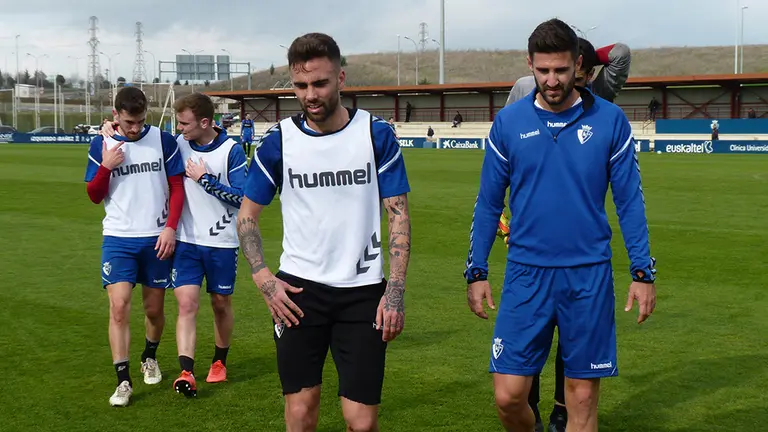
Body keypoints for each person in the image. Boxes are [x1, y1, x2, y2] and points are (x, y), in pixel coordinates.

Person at [464, 18, 657, 432]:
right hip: (525, 275)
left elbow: (630, 203)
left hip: (587, 276)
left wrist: (642, 271)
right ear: (530, 65)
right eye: (543, 70)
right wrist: (476, 270)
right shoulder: (509, 122)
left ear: (579, 66)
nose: (552, 80)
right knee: (508, 396)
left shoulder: (610, 121)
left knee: (581, 400)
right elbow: (487, 203)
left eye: (562, 70)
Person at [237, 32, 411, 432]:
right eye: (300, 85)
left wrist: (395, 291)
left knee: (362, 423)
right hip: (299, 293)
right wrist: (264, 278)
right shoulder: (279, 141)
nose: (310, 94)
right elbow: (247, 216)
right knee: (301, 414)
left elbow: (398, 215)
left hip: (363, 292)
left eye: (320, 83)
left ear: (341, 79)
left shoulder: (375, 135)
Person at [500, 35, 632, 432]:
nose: (559, 81)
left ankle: (562, 408)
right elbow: (511, 163)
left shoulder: (601, 98)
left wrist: (587, 59)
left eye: (577, 71)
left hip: (581, 252)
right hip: (532, 237)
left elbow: (621, 54)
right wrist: (512, 219)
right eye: (548, 70)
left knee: (573, 348)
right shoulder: (527, 91)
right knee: (528, 345)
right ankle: (536, 406)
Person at [100, 92, 247, 398]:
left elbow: (243, 197)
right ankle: (186, 371)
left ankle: (219, 362)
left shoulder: (231, 150)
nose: (179, 128)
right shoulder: (176, 143)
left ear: (204, 122)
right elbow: (142, 140)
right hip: (185, 242)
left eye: (184, 123)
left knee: (221, 304)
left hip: (222, 242)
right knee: (186, 304)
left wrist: (206, 179)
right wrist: (111, 127)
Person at [85, 86, 185, 407]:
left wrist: (170, 228)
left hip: (156, 238)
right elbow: (94, 194)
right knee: (119, 307)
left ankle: (149, 356)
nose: (135, 128)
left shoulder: (162, 140)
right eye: (129, 122)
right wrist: (106, 165)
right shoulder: (102, 144)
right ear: (116, 115)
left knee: (154, 310)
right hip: (118, 239)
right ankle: (123, 379)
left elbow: (176, 186)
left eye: (140, 121)